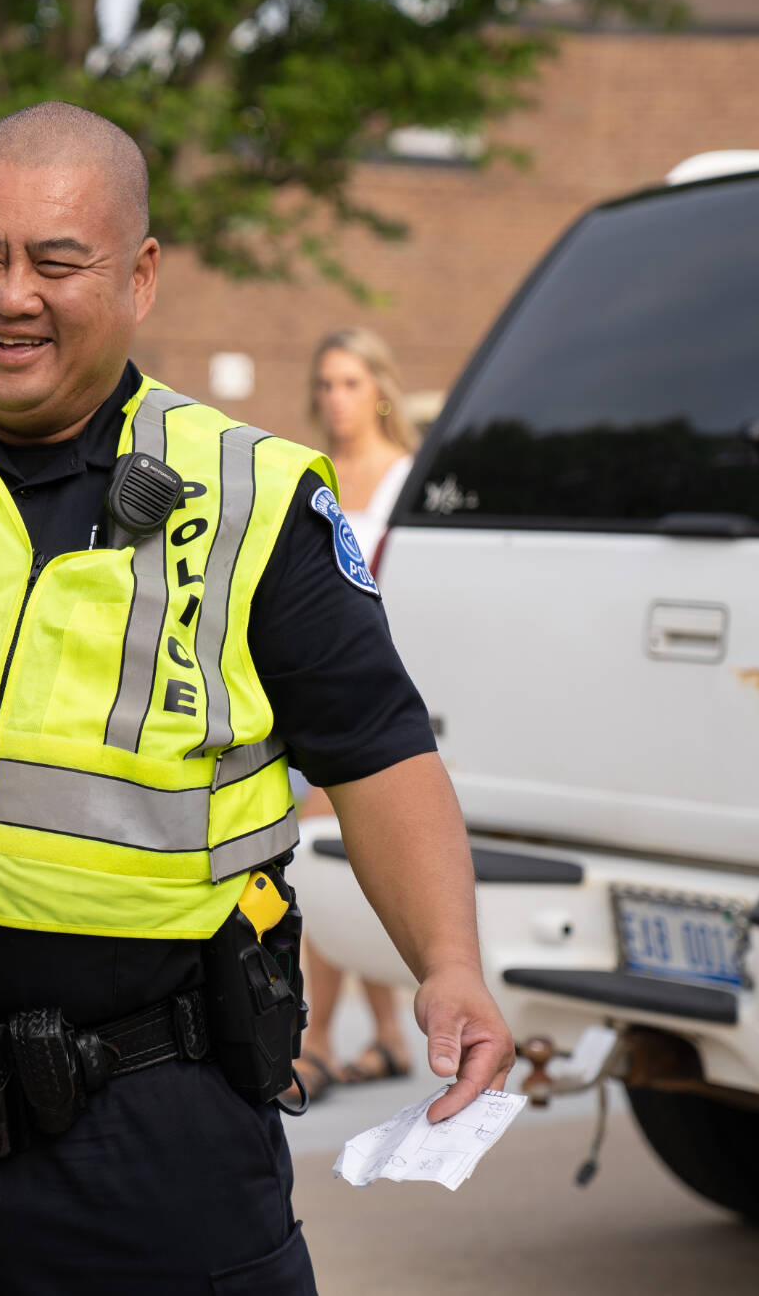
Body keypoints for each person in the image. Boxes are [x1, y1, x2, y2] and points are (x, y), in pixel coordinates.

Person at [0, 102, 514, 1296]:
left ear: (141, 275)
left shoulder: (251, 494)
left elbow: (377, 752)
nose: (12, 296)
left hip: (148, 1136)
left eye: (57, 261)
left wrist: (447, 963)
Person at [290, 327, 423, 1101]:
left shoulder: (407, 479)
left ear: (379, 387)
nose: (335, 399)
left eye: (348, 382)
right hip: (311, 686)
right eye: (325, 384)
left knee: (326, 858)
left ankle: (313, 1043)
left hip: (377, 695)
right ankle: (386, 1035)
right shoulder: (313, 476)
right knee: (340, 861)